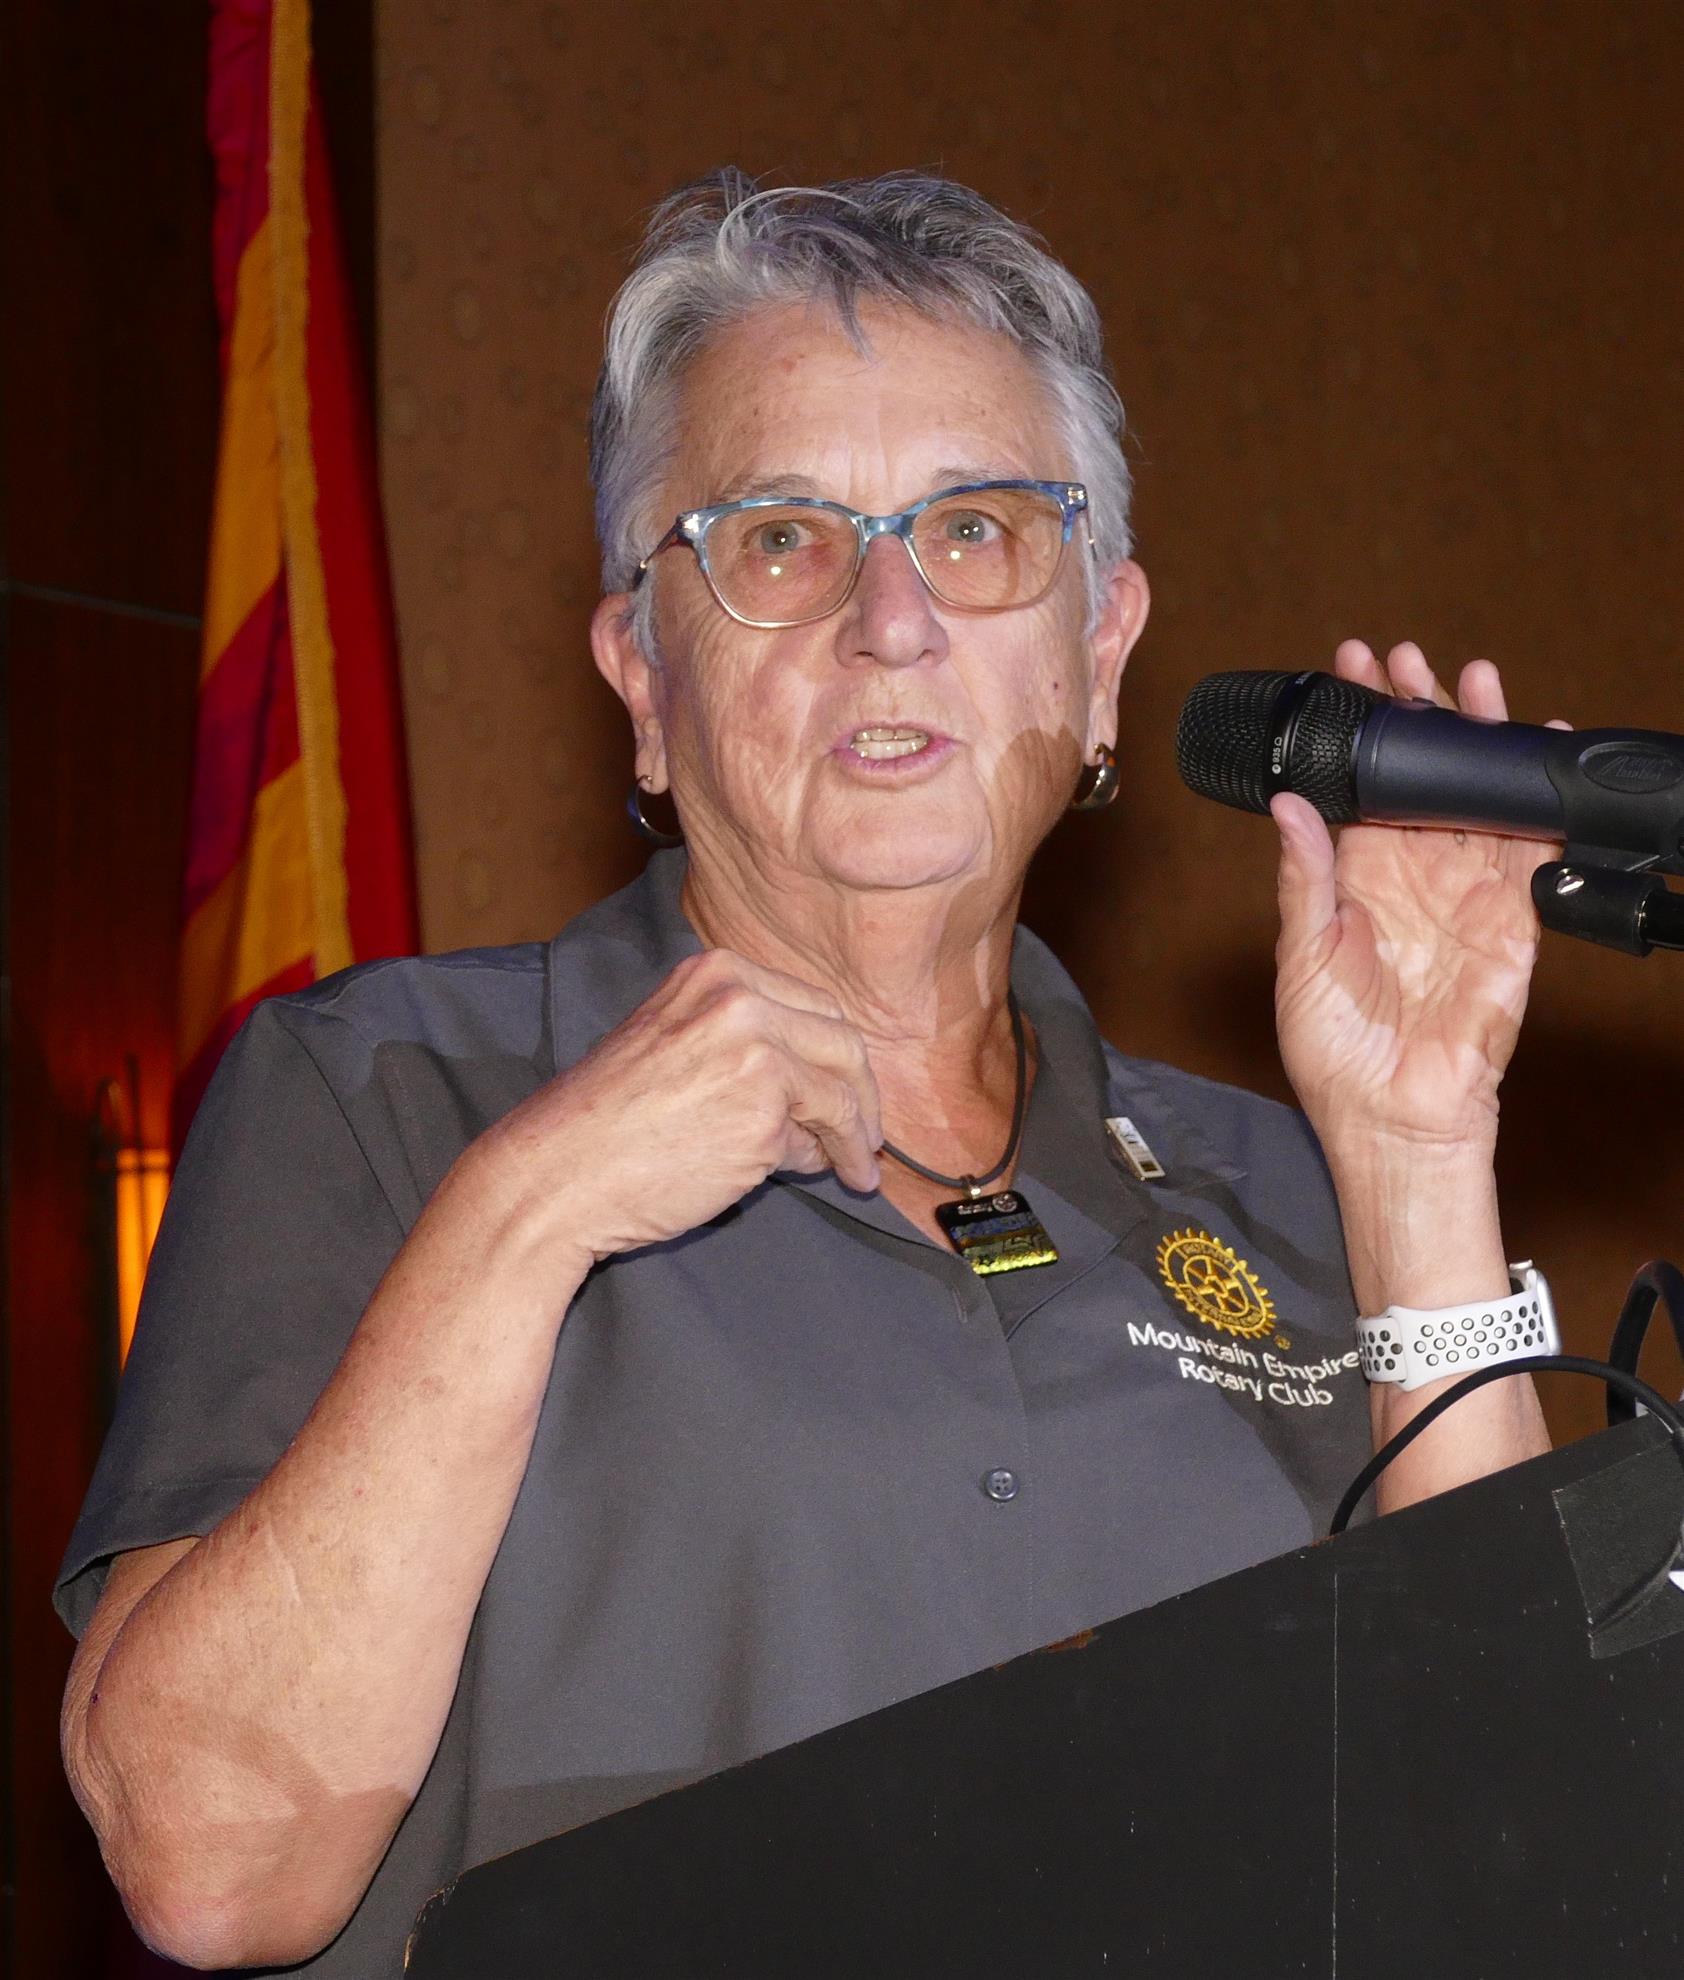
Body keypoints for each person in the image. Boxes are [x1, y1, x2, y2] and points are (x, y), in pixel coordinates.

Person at [56, 171, 1552, 1974]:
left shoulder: (1282, 1180)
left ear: (1100, 658)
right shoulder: (387, 1095)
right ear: (642, 674)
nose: (891, 619)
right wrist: (532, 1208)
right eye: (779, 540)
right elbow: (211, 1868)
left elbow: (1520, 1841)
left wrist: (1416, 1161)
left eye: (978, 530)